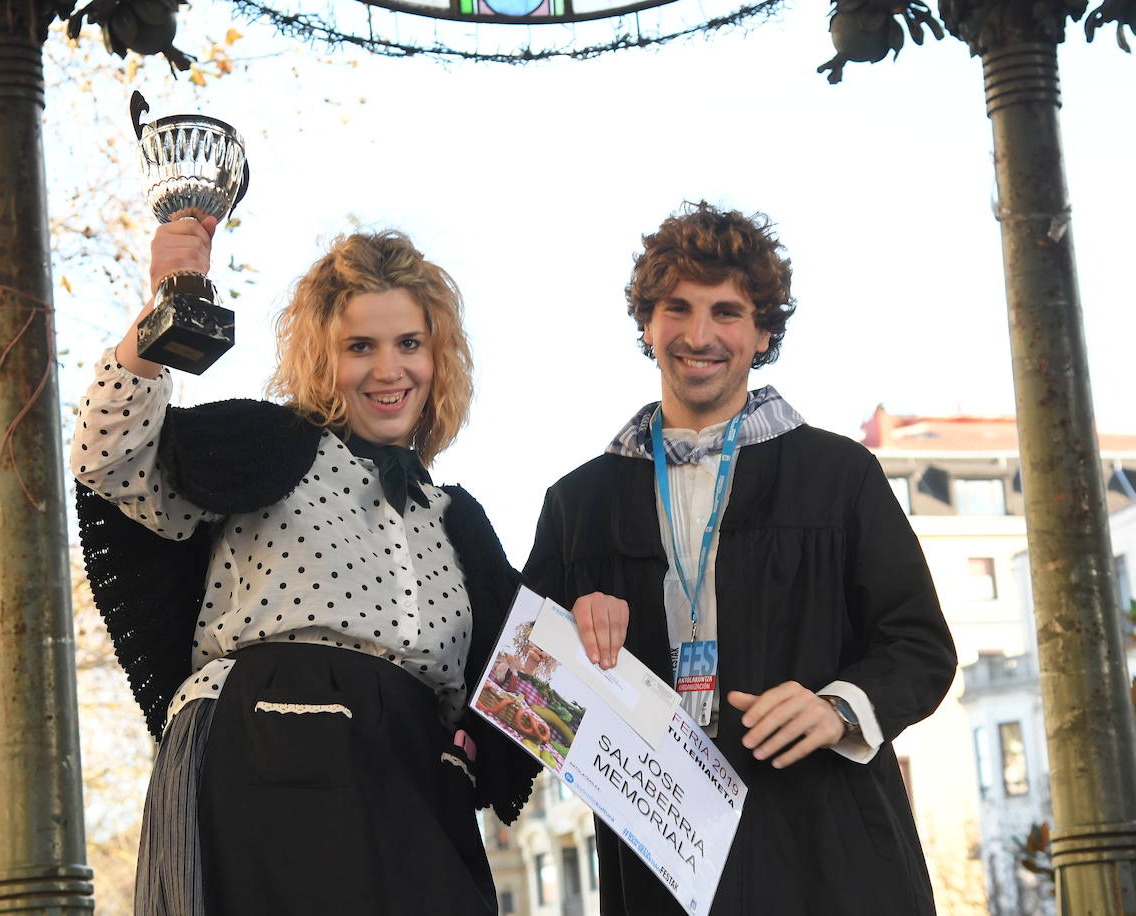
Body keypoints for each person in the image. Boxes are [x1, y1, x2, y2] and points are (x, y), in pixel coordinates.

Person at [72, 216, 538, 915]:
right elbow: (108, 459)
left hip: (416, 795)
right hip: (267, 762)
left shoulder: (459, 522)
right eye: (360, 347)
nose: (389, 370)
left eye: (410, 343)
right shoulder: (270, 447)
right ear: (322, 358)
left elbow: (533, 689)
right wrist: (162, 311)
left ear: (439, 356)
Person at [523, 201, 957, 915]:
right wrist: (569, 635)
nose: (700, 335)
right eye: (677, 308)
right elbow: (525, 697)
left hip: (830, 849)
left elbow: (920, 647)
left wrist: (838, 709)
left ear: (762, 333)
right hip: (662, 865)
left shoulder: (838, 475)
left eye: (727, 312)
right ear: (646, 324)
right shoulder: (579, 504)